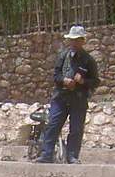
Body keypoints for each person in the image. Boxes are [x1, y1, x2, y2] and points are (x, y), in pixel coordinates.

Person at [34, 25, 99, 164]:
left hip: (79, 99)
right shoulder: (63, 56)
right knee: (53, 125)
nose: (74, 43)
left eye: (77, 40)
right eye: (72, 40)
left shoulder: (89, 60)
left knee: (76, 129)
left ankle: (72, 156)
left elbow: (95, 82)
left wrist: (82, 81)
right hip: (60, 98)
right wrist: (64, 80)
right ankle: (46, 155)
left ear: (82, 41)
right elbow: (55, 76)